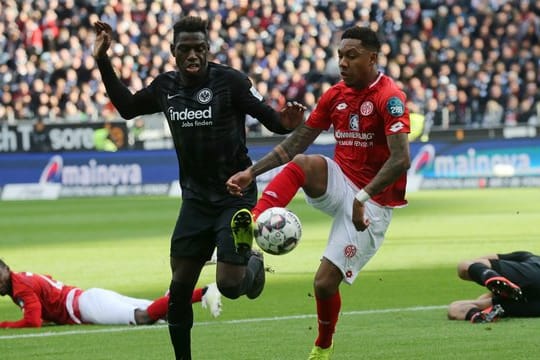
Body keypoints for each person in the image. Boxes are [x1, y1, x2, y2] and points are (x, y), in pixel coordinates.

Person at [93, 16, 305, 359]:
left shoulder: (232, 82)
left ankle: (252, 264)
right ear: (174, 52)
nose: (193, 55)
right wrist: (102, 59)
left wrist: (286, 121)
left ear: (208, 49)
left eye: (199, 48)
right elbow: (128, 108)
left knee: (230, 287)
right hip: (194, 202)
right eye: (185, 49)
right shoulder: (165, 87)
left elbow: (272, 120)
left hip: (233, 195)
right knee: (179, 290)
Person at [227, 26, 411, 359]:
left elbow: (401, 159)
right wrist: (251, 172)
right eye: (340, 55)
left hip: (373, 201)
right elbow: (297, 140)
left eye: (351, 56)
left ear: (373, 58)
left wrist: (363, 197)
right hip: (342, 181)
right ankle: (252, 223)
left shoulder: (390, 98)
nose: (342, 63)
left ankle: (323, 346)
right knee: (303, 162)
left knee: (324, 284)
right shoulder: (335, 94)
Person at [0, 259, 221, 328]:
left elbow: (32, 321)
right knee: (161, 311)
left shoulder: (20, 286)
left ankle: (204, 292)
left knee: (144, 317)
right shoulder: (21, 279)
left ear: (6, 269)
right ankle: (200, 293)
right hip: (88, 299)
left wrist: (4, 325)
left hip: (86, 306)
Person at [448, 251, 540, 323]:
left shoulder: (526, 256)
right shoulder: (529, 259)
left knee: (463, 265)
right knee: (455, 308)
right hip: (532, 305)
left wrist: (477, 268)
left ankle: (489, 275)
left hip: (531, 284)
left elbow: (478, 261)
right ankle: (480, 315)